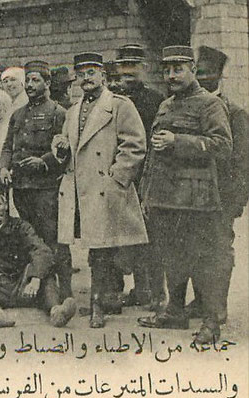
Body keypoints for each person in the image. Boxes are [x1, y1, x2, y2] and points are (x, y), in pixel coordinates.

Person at [137, 46, 233, 345]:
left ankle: (211, 323)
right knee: (172, 258)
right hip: (165, 197)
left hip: (196, 199)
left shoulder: (209, 105)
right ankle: (174, 312)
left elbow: (222, 146)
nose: (171, 75)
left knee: (205, 260)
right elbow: (153, 154)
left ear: (192, 69)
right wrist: (146, 194)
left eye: (178, 69)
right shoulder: (165, 105)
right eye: (167, 70)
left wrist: (179, 141)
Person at [53, 52, 148, 328]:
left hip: (104, 188)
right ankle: (101, 300)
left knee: (103, 250)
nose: (86, 78)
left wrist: (116, 178)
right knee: (90, 247)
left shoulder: (119, 105)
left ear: (103, 76)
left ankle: (99, 304)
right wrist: (60, 150)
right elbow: (70, 152)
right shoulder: (72, 111)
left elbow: (135, 144)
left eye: (91, 72)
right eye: (81, 74)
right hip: (80, 189)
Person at [0, 184, 77, 328]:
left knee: (45, 275)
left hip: (22, 286)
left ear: (5, 205)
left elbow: (41, 250)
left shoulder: (21, 226)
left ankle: (57, 311)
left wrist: (35, 278)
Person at [0, 60, 72, 297]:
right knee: (30, 239)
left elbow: (65, 147)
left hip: (46, 188)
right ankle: (40, 287)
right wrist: (3, 168)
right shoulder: (18, 114)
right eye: (27, 80)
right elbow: (8, 146)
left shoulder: (58, 112)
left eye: (35, 80)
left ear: (47, 83)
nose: (30, 85)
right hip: (21, 187)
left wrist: (44, 161)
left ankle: (66, 290)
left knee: (53, 238)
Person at [190, 46, 249, 323]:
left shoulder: (234, 112)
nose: (202, 78)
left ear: (219, 77)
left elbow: (242, 162)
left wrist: (237, 201)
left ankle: (218, 305)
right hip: (193, 193)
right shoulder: (188, 107)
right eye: (198, 73)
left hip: (222, 195)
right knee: (194, 247)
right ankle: (200, 300)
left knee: (218, 249)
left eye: (207, 74)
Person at [105, 44, 166, 308]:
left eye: (133, 69)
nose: (127, 75)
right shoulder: (109, 101)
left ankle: (152, 291)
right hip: (116, 176)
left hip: (144, 178)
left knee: (148, 237)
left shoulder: (155, 100)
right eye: (123, 69)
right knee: (116, 235)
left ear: (144, 69)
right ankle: (116, 291)